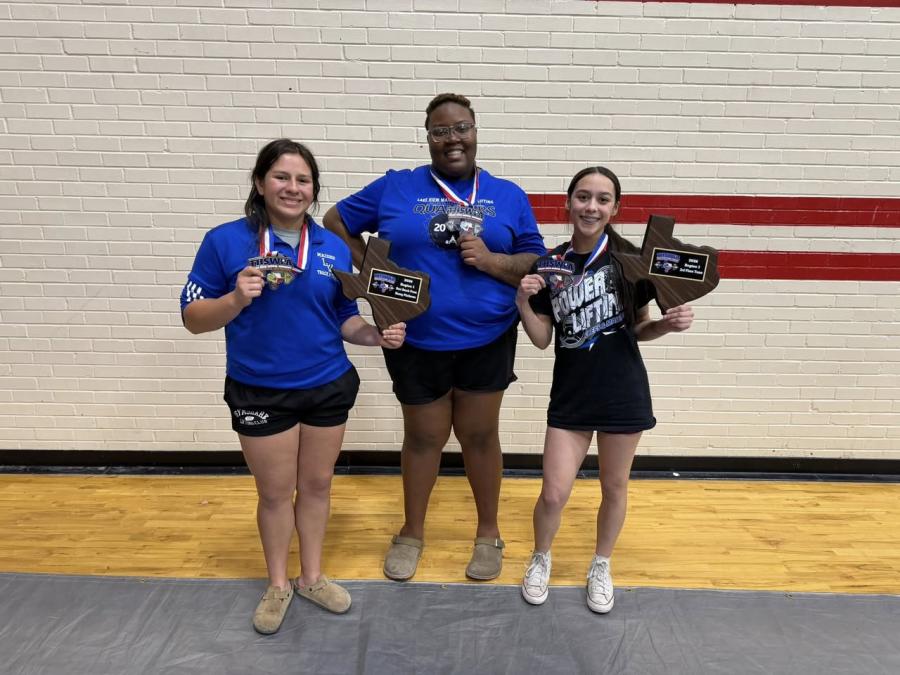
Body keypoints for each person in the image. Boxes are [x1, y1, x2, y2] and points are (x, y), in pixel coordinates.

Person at [180, 139, 406, 635]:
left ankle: (312, 576)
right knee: (277, 493)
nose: (293, 187)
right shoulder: (224, 241)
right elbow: (193, 319)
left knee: (319, 486)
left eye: (303, 180)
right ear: (260, 184)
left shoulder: (330, 246)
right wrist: (236, 298)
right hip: (260, 390)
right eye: (282, 177)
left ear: (313, 190)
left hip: (326, 384)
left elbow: (344, 316)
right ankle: (279, 583)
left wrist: (377, 336)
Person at [323, 93, 546, 582]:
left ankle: (488, 533)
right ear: (428, 137)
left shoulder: (507, 194)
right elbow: (335, 220)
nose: (452, 139)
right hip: (414, 338)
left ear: (475, 131)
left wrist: (490, 261)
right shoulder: (396, 187)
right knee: (423, 438)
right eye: (440, 131)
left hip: (487, 337)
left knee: (480, 436)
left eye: (460, 128)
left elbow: (536, 261)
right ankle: (411, 532)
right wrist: (373, 274)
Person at [516, 166, 694, 613]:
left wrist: (666, 326)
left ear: (616, 207)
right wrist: (522, 300)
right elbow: (541, 339)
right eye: (582, 197)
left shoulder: (632, 261)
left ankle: (601, 563)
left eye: (601, 199)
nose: (590, 207)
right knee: (554, 492)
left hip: (623, 392)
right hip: (572, 395)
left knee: (614, 487)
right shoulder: (549, 264)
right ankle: (541, 557)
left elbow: (639, 329)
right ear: (568, 202)